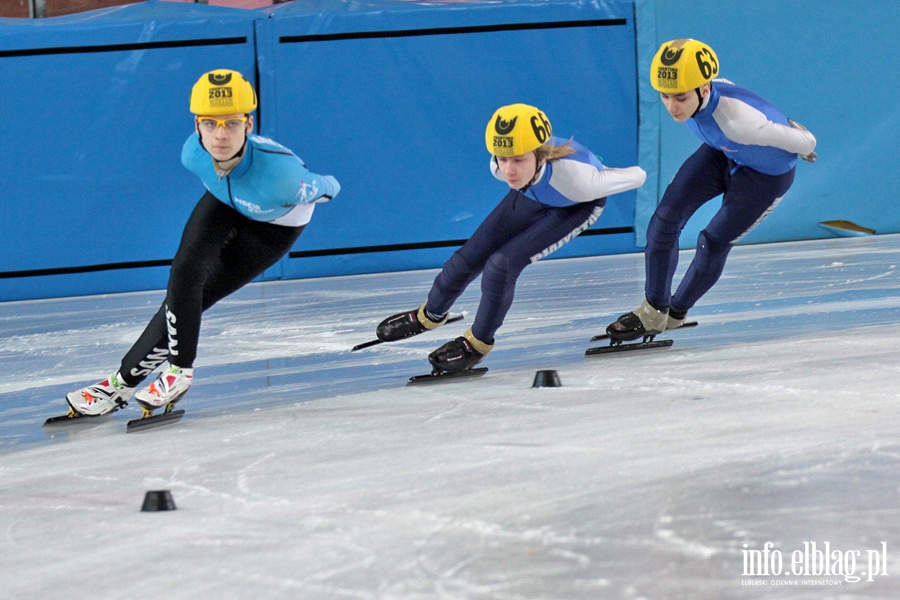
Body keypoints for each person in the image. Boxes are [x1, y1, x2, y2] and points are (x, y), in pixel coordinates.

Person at [65, 69, 340, 418]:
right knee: (184, 276)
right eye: (210, 124)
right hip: (227, 199)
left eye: (231, 124)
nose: (220, 135)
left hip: (274, 224)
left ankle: (172, 372)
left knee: (203, 292)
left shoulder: (284, 180)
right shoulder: (191, 153)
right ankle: (121, 385)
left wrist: (316, 188)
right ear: (197, 126)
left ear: (249, 125)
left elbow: (331, 186)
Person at [375, 103, 647, 373]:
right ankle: (430, 315)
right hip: (531, 193)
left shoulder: (580, 181)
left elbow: (639, 175)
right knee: (465, 260)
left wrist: (600, 169)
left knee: (500, 267)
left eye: (518, 159)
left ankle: (478, 344)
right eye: (502, 159)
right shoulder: (503, 166)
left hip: (576, 204)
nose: (508, 171)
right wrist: (514, 164)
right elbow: (512, 168)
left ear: (541, 155)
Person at [607, 39, 817, 341]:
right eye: (664, 97)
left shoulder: (739, 123)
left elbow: (808, 143)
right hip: (723, 152)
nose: (671, 107)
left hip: (764, 178)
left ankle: (677, 312)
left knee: (712, 241)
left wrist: (795, 137)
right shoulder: (706, 90)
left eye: (679, 98)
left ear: (704, 89)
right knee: (665, 220)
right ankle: (653, 311)